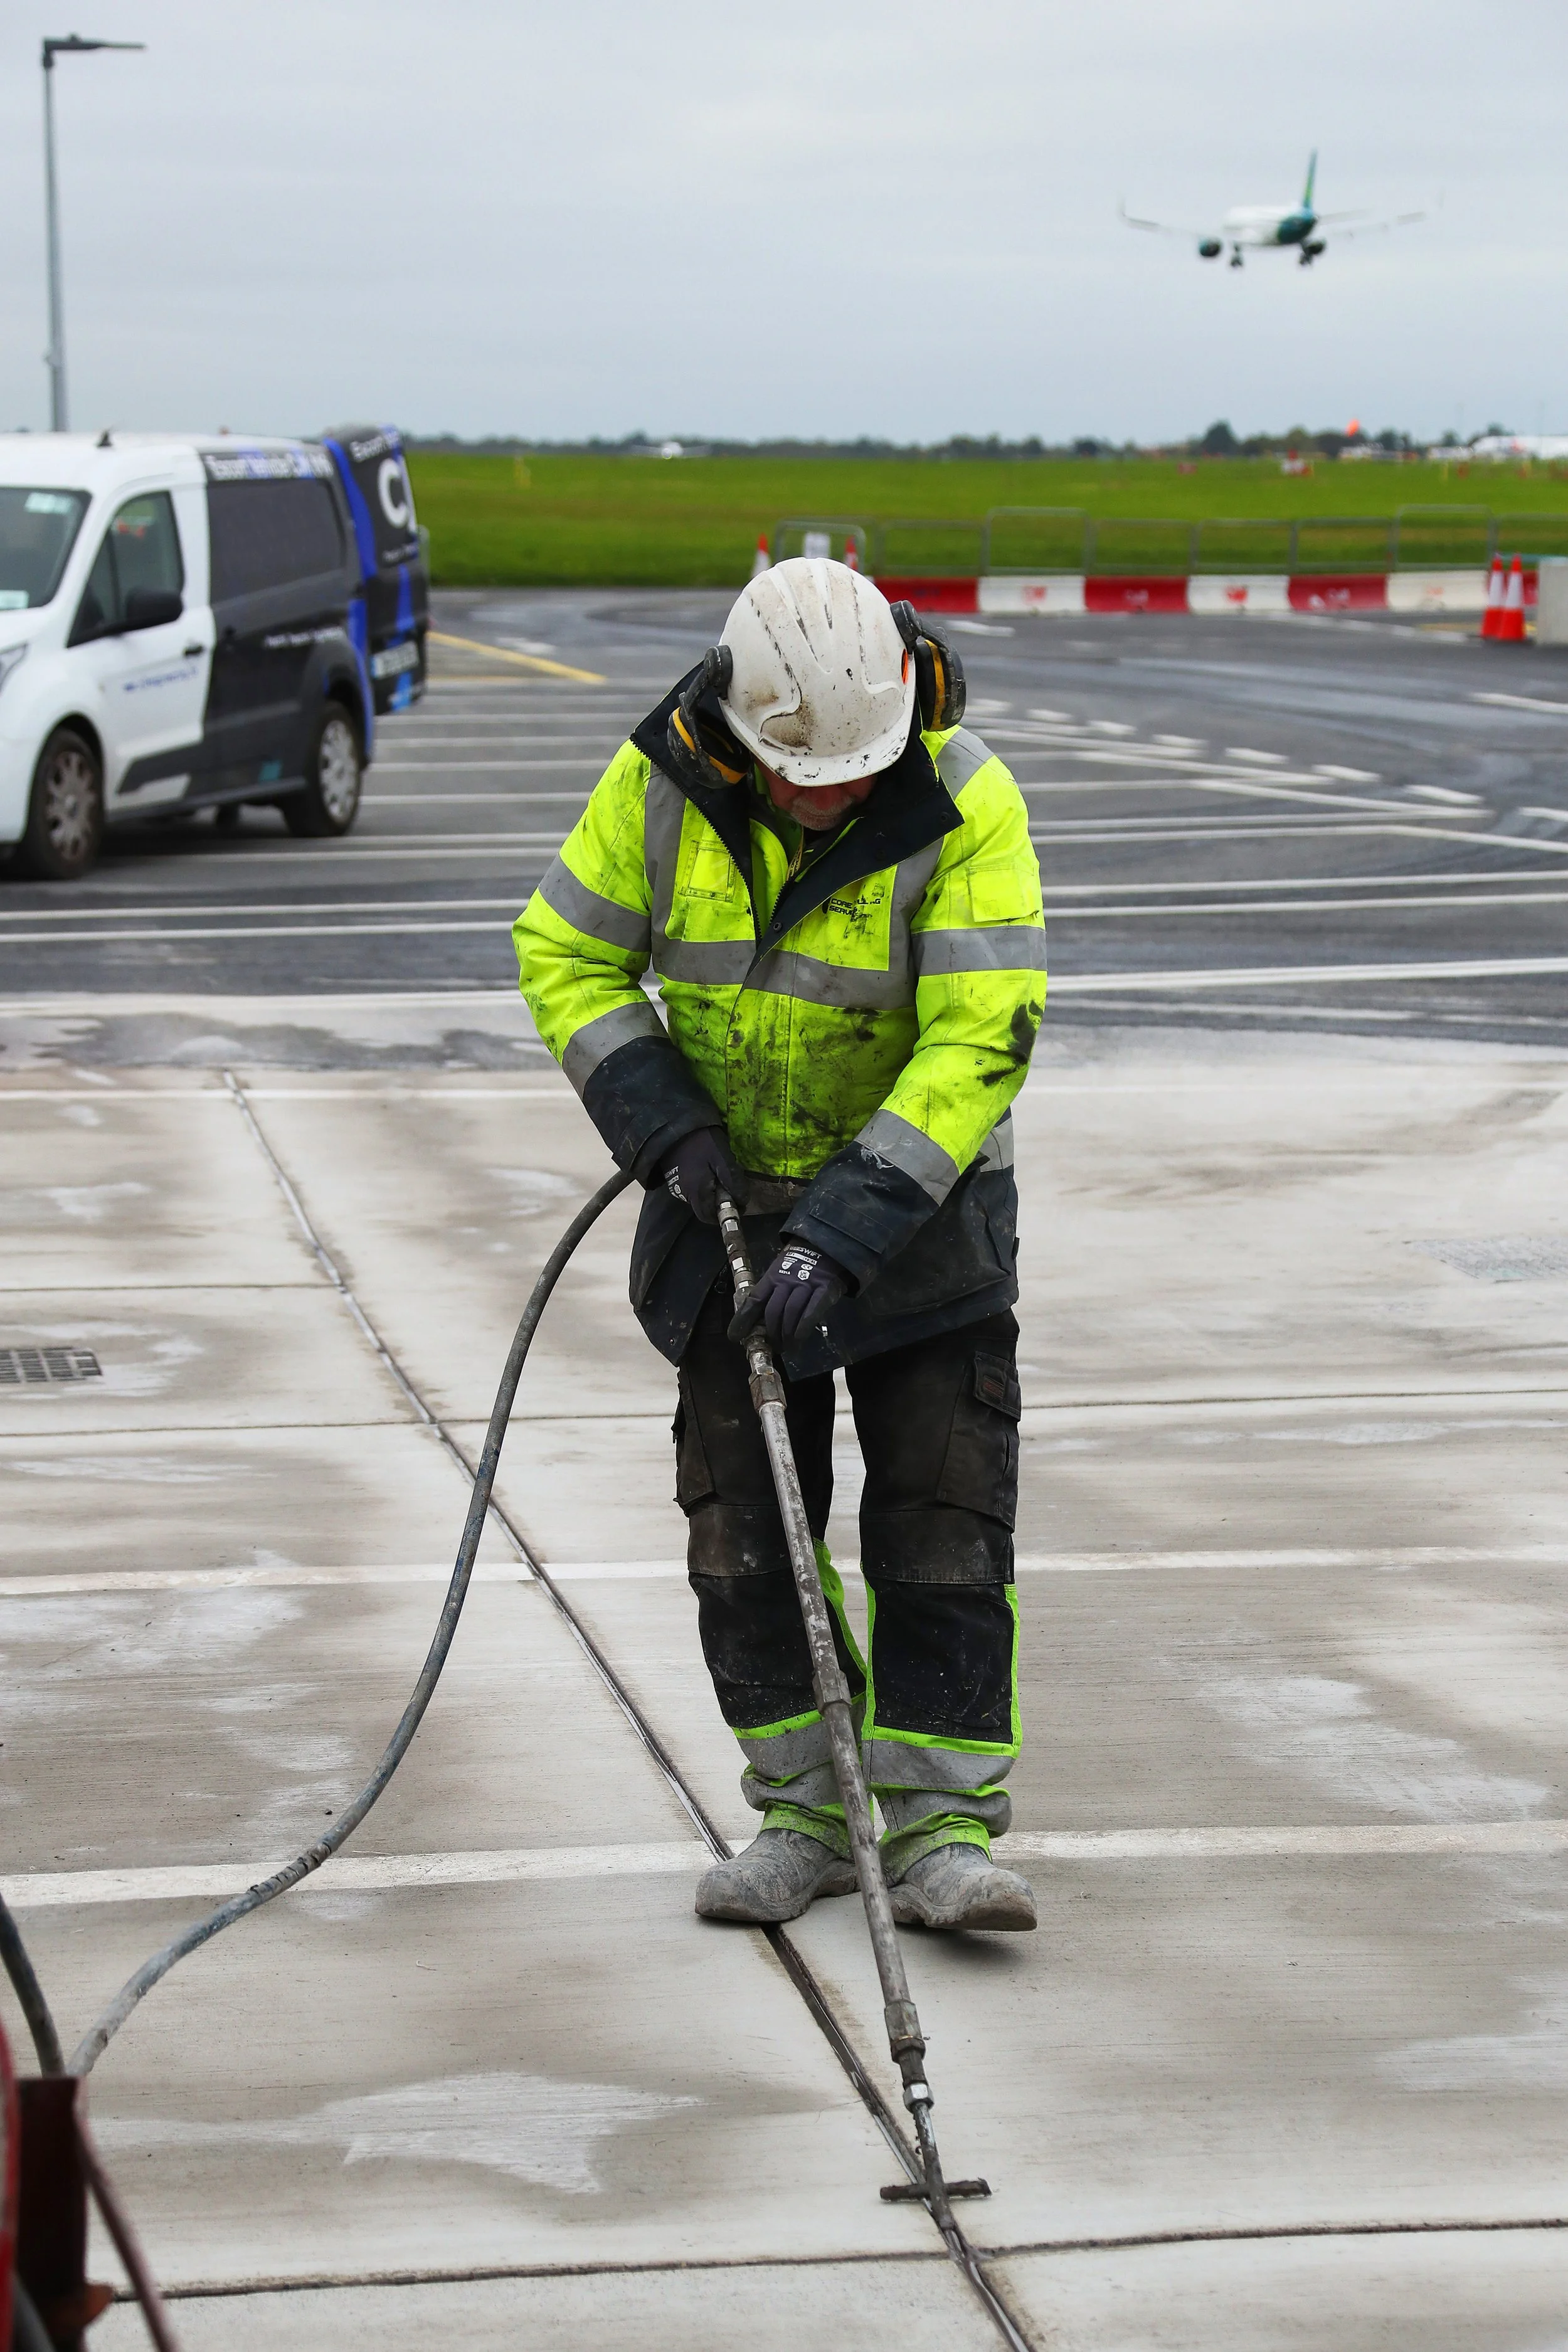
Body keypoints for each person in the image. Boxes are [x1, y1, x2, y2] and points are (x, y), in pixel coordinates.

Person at [515, 558, 1046, 1932]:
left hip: (916, 1220)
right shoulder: (657, 786)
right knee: (744, 1534)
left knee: (940, 1523)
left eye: (853, 772)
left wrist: (847, 1230)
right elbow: (563, 955)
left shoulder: (962, 796)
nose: (832, 797)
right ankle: (804, 1814)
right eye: (806, 775)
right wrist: (654, 1113)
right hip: (723, 1213)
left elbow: (979, 1031)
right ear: (744, 737)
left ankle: (938, 1834)